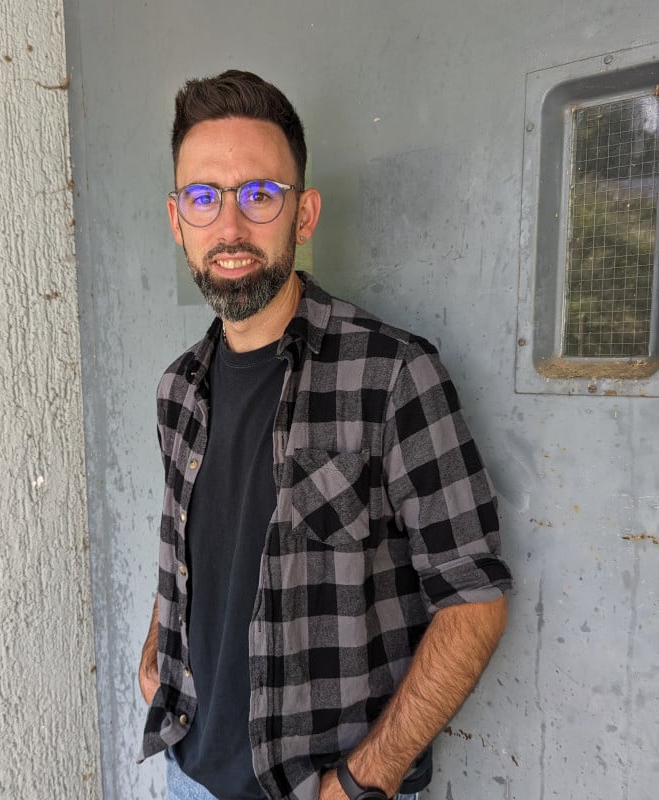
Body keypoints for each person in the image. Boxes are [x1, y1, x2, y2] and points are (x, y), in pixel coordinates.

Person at [138, 70, 511, 800]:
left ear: (303, 215)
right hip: (187, 775)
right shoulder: (177, 390)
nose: (230, 227)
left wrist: (362, 781)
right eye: (204, 197)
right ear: (177, 219)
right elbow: (189, 549)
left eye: (260, 194)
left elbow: (475, 599)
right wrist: (155, 652)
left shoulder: (393, 375)